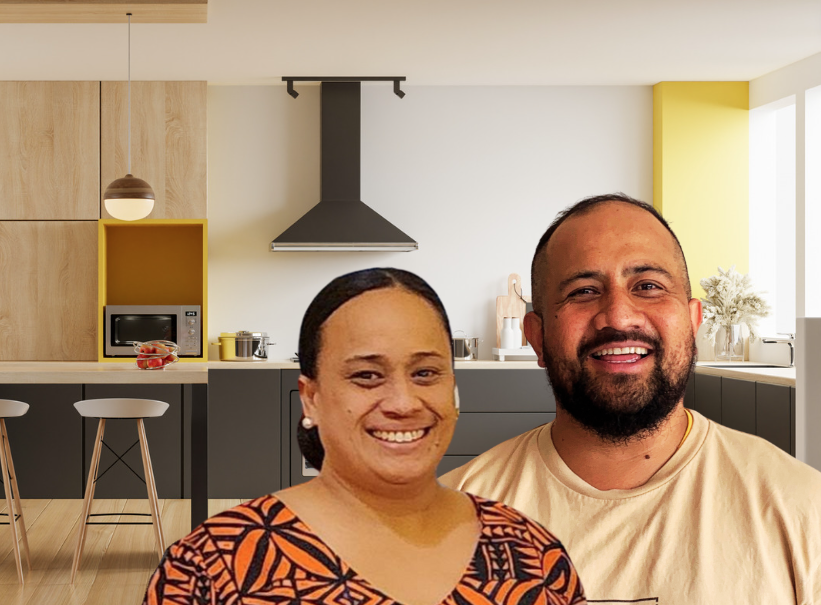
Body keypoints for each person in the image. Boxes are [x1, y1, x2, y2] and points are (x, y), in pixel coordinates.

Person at [441, 193, 821, 603]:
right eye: (584, 291)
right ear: (537, 337)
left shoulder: (802, 510)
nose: (620, 316)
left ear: (693, 323)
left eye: (648, 286)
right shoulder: (448, 523)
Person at [144, 268, 586, 605]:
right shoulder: (212, 564)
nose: (403, 401)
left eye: (425, 373)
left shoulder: (531, 552)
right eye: (367, 375)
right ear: (310, 398)